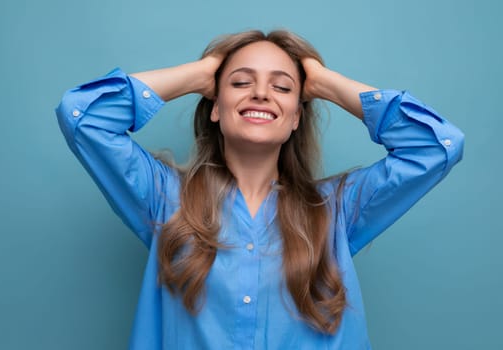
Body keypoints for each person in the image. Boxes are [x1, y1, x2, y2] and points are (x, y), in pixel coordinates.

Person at [56, 30, 464, 349]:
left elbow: (437, 146)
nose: (261, 93)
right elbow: (82, 117)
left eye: (283, 87)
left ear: (295, 119)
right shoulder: (164, 199)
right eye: (240, 82)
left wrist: (323, 81)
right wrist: (199, 74)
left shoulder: (338, 209)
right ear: (215, 106)